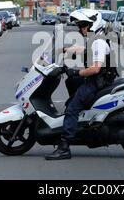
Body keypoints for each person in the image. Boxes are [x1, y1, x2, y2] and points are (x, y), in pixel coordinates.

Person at [45, 9, 115, 160]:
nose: (80, 29)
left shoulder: (98, 42)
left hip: (97, 82)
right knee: (72, 82)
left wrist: (76, 72)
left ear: (92, 25)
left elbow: (95, 68)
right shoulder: (96, 39)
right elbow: (85, 49)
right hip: (98, 80)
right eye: (80, 26)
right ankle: (80, 121)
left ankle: (64, 147)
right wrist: (65, 50)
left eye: (83, 25)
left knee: (71, 108)